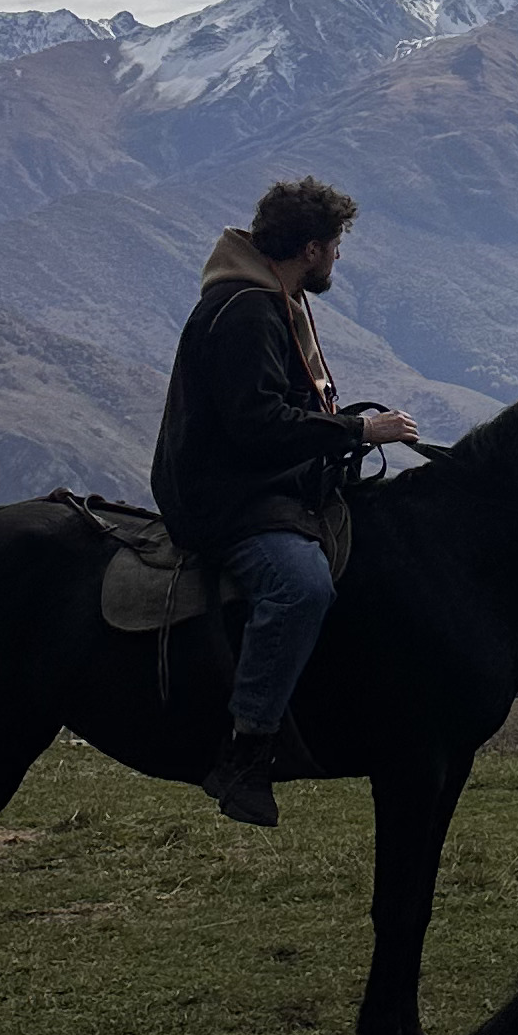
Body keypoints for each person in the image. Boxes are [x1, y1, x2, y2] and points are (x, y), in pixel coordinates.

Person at [150, 176, 417, 828]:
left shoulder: (272, 297)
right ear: (310, 249)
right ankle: (246, 747)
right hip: (227, 497)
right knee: (301, 587)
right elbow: (258, 424)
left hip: (262, 481)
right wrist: (359, 431)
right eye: (334, 246)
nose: (337, 259)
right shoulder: (248, 311)